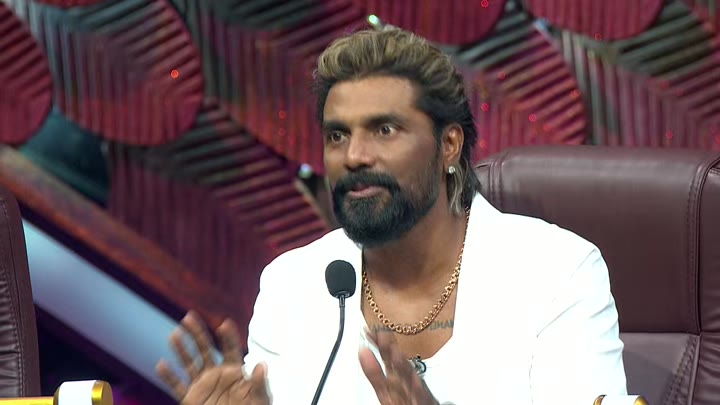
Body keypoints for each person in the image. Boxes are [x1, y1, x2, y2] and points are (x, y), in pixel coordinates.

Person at [155, 27, 627, 404]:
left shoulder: (557, 274)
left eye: (384, 129)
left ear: (449, 144)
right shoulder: (293, 285)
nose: (354, 156)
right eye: (337, 136)